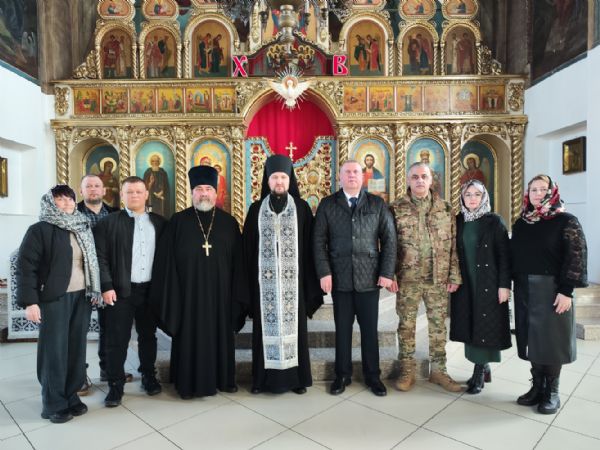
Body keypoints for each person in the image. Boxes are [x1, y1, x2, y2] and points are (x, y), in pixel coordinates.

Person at [151, 166, 246, 399]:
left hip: (221, 297)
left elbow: (239, 265)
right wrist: (173, 295)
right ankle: (188, 384)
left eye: (208, 189)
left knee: (221, 335)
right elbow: (166, 264)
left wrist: (237, 297)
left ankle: (224, 379)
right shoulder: (177, 222)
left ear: (216, 193)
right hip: (188, 297)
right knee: (189, 336)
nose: (204, 194)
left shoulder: (229, 223)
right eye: (199, 189)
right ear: (192, 192)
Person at [16, 185, 102, 424]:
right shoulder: (39, 230)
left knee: (76, 348)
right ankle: (53, 402)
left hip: (82, 297)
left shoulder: (82, 226)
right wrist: (30, 302)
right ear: (50, 203)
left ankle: (71, 395)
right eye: (60, 199)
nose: (66, 203)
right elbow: (26, 268)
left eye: (70, 199)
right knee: (54, 350)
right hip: (54, 298)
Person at [313, 160, 396, 397]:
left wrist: (386, 273)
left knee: (370, 330)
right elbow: (318, 241)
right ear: (339, 177)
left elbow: (389, 239)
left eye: (356, 172)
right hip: (340, 279)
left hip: (369, 278)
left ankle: (373, 376)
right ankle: (342, 375)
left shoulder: (377, 204)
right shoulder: (328, 204)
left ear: (362, 177)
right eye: (347, 172)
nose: (352, 175)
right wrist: (324, 272)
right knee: (342, 330)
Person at [243, 155, 323, 394]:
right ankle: (261, 380)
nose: (279, 181)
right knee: (262, 332)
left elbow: (310, 249)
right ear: (267, 180)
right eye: (275, 177)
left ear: (290, 180)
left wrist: (310, 283)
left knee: (295, 332)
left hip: (293, 287)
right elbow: (247, 250)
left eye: (283, 177)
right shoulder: (256, 210)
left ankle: (297, 380)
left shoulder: (301, 209)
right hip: (264, 286)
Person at [511, 175, 587, 414]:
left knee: (552, 342)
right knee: (531, 340)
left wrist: (566, 290)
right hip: (524, 288)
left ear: (552, 192)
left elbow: (576, 256)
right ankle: (537, 386)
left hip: (553, 290)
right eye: (533, 189)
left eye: (542, 189)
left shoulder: (566, 220)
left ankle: (552, 391)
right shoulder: (522, 222)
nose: (537, 194)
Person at [390, 162, 463, 393]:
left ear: (431, 180)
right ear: (408, 180)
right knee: (406, 326)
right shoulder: (396, 208)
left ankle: (439, 371)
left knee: (438, 327)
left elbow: (453, 245)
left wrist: (454, 275)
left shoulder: (445, 208)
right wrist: (390, 274)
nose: (420, 180)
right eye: (415, 177)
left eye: (424, 176)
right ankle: (407, 370)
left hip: (437, 278)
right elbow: (388, 244)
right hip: (407, 278)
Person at [94, 176, 166, 407]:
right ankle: (115, 385)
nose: (134, 195)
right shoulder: (108, 223)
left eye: (138, 191)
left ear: (146, 195)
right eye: (129, 192)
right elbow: (100, 258)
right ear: (122, 195)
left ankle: (148, 376)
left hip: (150, 290)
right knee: (117, 339)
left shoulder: (160, 223)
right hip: (120, 291)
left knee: (148, 337)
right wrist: (106, 286)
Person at [450, 180, 511, 394]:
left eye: (477, 194)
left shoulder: (494, 221)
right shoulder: (458, 220)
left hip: (488, 282)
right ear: (462, 198)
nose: (472, 198)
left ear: (484, 196)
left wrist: (504, 285)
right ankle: (483, 367)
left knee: (485, 324)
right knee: (470, 323)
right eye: (468, 195)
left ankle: (479, 372)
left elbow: (505, 256)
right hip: (466, 282)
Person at [76, 175, 128, 395]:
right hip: (81, 279)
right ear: (81, 191)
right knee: (79, 329)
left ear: (104, 190)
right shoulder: (72, 213)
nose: (93, 189)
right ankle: (78, 376)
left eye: (97, 186)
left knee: (109, 328)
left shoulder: (117, 214)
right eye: (88, 186)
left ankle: (108, 369)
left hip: (108, 279)